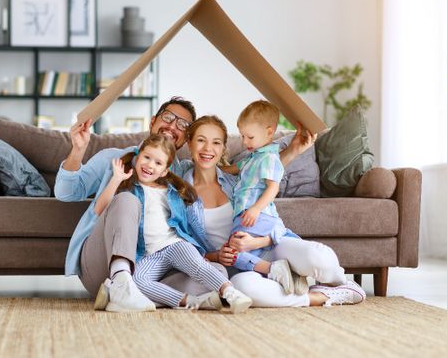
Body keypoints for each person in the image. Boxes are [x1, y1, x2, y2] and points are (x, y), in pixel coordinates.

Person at [183, 114, 366, 307]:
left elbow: (265, 168)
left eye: (216, 142)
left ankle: (341, 284)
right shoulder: (180, 193)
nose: (207, 149)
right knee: (242, 288)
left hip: (270, 246)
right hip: (239, 266)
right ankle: (321, 296)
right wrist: (215, 256)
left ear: (223, 149)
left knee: (320, 257)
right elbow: (181, 244)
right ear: (189, 143)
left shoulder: (239, 182)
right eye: (201, 140)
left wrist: (260, 241)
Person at [55, 97, 205, 313]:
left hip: (152, 270)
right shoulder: (114, 159)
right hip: (101, 264)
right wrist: (78, 150)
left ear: (186, 138)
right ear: (152, 121)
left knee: (214, 272)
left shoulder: (185, 175)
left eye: (182, 125)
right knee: (126, 199)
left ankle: (136, 293)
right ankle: (121, 283)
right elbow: (65, 193)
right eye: (168, 117)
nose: (173, 126)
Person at [93, 134, 252, 313]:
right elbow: (100, 211)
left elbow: (190, 225)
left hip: (174, 245)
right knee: (137, 280)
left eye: (158, 163)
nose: (150, 165)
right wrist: (116, 178)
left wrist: (203, 252)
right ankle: (190, 301)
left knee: (199, 267)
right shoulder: (128, 189)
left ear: (165, 171)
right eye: (146, 158)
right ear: (137, 157)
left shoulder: (172, 192)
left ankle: (231, 293)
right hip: (148, 254)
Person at [223, 100, 308, 295]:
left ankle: (277, 270)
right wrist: (213, 168)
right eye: (243, 136)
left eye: (249, 137)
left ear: (269, 132)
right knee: (237, 256)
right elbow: (233, 169)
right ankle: (286, 276)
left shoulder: (269, 157)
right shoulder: (253, 157)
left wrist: (255, 209)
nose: (245, 142)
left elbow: (273, 187)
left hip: (256, 216)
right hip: (249, 216)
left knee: (233, 252)